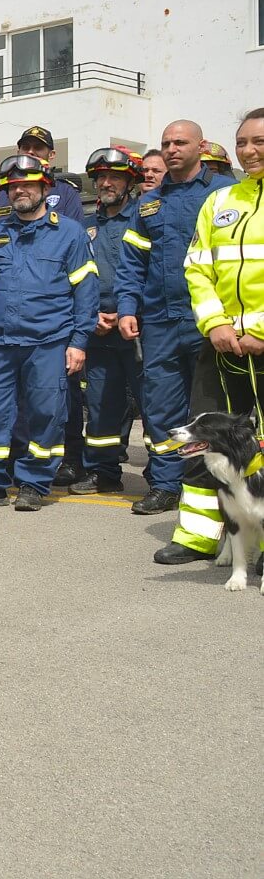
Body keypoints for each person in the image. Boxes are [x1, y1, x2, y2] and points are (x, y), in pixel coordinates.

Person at [0, 155, 96, 510]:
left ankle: (34, 484)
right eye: (14, 187)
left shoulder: (69, 233)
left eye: (28, 185)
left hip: (48, 342)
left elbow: (86, 291)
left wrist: (79, 342)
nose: (20, 192)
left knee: (46, 415)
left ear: (45, 188)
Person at [118, 120, 236, 554]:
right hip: (161, 322)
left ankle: (224, 492)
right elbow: (131, 262)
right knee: (162, 408)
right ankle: (167, 485)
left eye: (180, 142)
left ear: (200, 146)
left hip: (211, 321)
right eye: (166, 143)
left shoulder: (225, 193)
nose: (171, 149)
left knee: (214, 411)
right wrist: (127, 308)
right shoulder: (148, 203)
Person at [177, 108, 264, 563]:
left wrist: (259, 330)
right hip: (222, 343)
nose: (249, 151)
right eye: (242, 142)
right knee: (204, 434)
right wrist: (216, 324)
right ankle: (197, 537)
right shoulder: (220, 201)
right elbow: (197, 267)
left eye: (259, 141)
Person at [69, 147, 142, 495]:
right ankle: (104, 473)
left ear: (130, 182)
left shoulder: (144, 218)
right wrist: (89, 315)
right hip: (96, 329)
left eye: (115, 177)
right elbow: (74, 278)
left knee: (153, 406)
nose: (106, 183)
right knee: (100, 407)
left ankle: (165, 478)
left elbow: (151, 272)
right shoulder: (85, 227)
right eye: (101, 178)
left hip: (138, 329)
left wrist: (131, 311)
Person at [0, 126, 84, 223]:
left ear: (51, 154)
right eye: (25, 147)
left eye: (38, 147)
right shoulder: (2, 194)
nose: (30, 152)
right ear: (18, 152)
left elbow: (73, 229)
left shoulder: (66, 192)